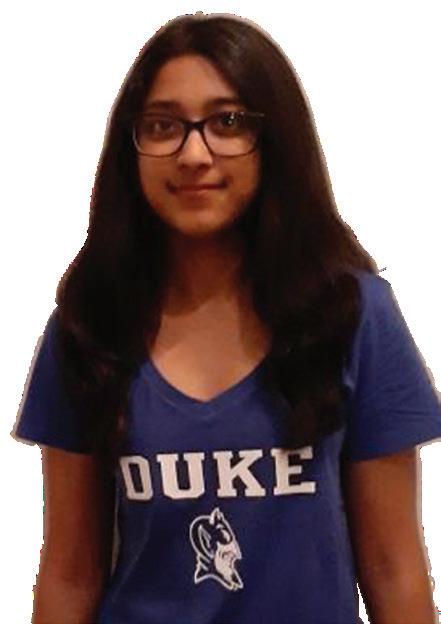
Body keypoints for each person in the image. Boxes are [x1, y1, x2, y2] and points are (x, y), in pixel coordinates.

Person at [11, 12, 441, 624]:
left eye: (228, 123)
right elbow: (70, 573)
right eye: (163, 125)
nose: (193, 153)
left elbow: (394, 566)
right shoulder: (91, 328)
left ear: (274, 141)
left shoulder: (352, 317)